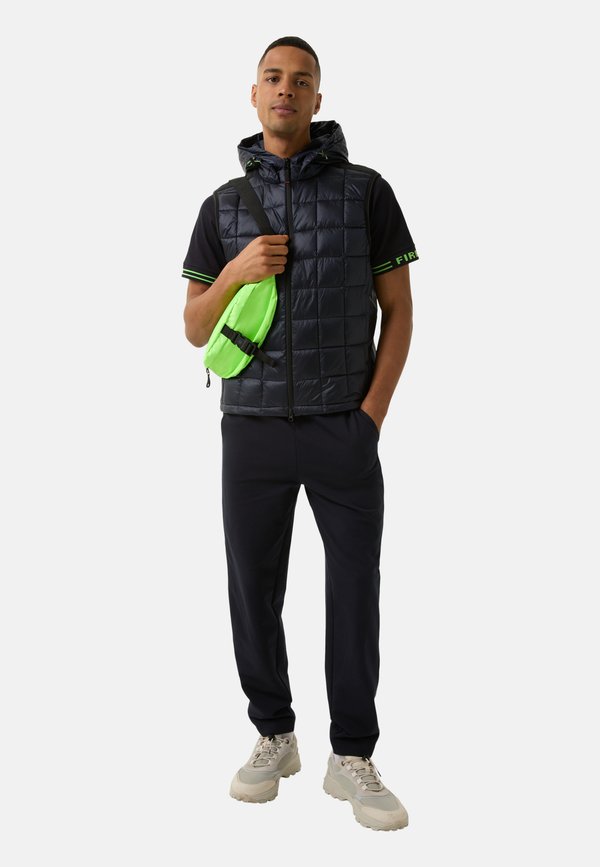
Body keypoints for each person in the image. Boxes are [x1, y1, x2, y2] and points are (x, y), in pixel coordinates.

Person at [182, 36, 418, 832]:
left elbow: (401, 310)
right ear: (254, 95)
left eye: (302, 80)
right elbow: (193, 327)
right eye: (273, 78)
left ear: (319, 99)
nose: (286, 89)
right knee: (252, 587)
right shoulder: (221, 206)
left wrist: (370, 417)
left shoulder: (366, 192)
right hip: (250, 431)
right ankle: (273, 733)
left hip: (341, 426)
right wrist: (236, 270)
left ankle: (351, 754)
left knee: (354, 587)